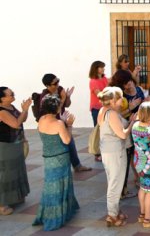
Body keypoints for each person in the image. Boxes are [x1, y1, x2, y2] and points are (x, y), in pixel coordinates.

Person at [32, 95, 79, 230]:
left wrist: (62, 122)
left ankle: (48, 212)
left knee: (50, 185)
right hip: (60, 157)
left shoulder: (41, 119)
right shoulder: (58, 124)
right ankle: (59, 214)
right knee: (61, 184)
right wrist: (68, 125)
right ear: (56, 107)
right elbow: (66, 140)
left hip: (48, 157)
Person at [34, 73, 91, 173]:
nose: (57, 84)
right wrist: (63, 97)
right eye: (54, 83)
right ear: (47, 86)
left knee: (70, 143)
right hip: (53, 124)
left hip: (62, 121)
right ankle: (62, 166)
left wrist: (67, 97)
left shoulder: (60, 89)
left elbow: (67, 105)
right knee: (63, 144)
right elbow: (55, 108)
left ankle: (77, 165)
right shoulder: (45, 96)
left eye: (58, 81)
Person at [97, 87, 131, 227]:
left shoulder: (103, 110)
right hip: (115, 152)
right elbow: (122, 134)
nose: (122, 101)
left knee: (113, 181)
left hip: (107, 150)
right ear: (112, 100)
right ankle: (112, 215)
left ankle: (115, 211)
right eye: (119, 98)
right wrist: (132, 124)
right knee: (115, 184)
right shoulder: (111, 113)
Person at [110, 69, 143, 197]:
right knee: (129, 156)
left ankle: (138, 178)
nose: (128, 85)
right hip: (128, 128)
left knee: (137, 154)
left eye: (129, 81)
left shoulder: (138, 89)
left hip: (139, 127)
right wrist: (130, 108)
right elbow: (116, 116)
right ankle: (122, 189)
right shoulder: (121, 97)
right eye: (124, 83)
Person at [0, 87, 32, 216]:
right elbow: (15, 124)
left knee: (17, 171)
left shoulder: (11, 107)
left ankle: (15, 198)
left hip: (16, 144)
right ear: (2, 98)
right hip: (6, 146)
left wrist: (26, 109)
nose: (13, 95)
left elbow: (22, 119)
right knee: (6, 174)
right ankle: (2, 204)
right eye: (10, 94)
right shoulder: (2, 111)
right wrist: (24, 109)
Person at [89, 60, 109, 127]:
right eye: (101, 67)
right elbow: (99, 95)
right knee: (98, 128)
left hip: (105, 106)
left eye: (103, 67)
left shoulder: (104, 78)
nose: (103, 69)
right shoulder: (93, 81)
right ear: (95, 68)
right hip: (96, 108)